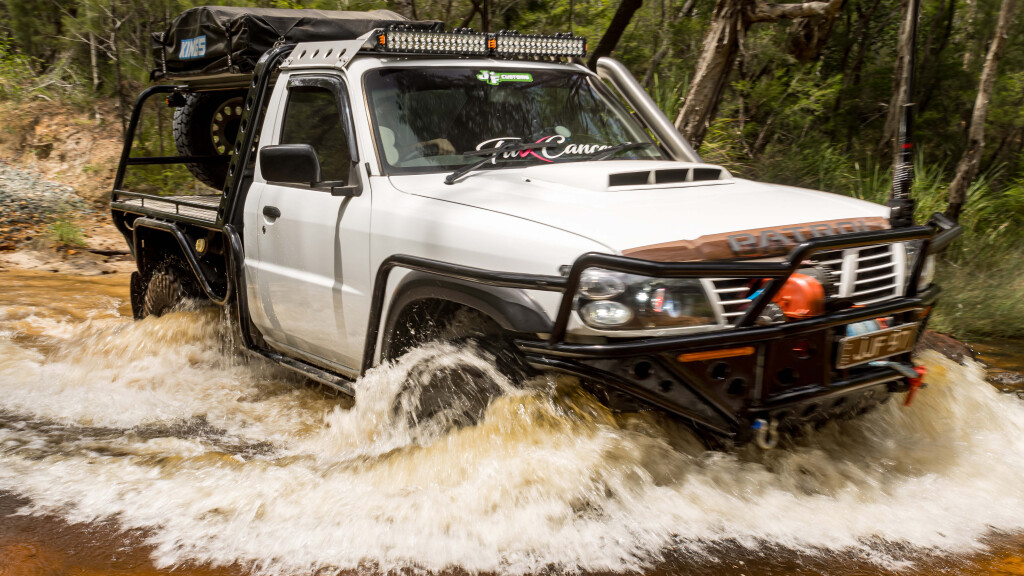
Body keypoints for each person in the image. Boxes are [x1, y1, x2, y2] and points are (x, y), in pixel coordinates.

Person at [373, 92, 454, 163]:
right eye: (385, 114)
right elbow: (395, 154)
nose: (392, 117)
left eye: (393, 112)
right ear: (378, 116)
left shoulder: (407, 130)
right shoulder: (378, 133)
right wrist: (432, 142)